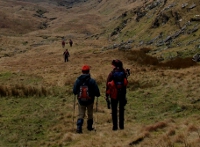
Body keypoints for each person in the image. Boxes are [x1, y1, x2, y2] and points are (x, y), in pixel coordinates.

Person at [73, 65, 100, 133]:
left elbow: (74, 91)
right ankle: (89, 127)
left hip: (81, 101)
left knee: (81, 114)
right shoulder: (92, 81)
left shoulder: (78, 80)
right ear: (88, 72)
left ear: (82, 72)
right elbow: (97, 91)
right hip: (90, 101)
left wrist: (77, 93)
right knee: (90, 114)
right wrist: (97, 95)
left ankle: (79, 128)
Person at [105, 59, 128, 131]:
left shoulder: (112, 73)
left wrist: (106, 94)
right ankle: (121, 126)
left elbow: (108, 84)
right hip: (122, 93)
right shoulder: (123, 72)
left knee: (114, 110)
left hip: (113, 94)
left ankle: (115, 127)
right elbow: (125, 83)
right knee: (121, 110)